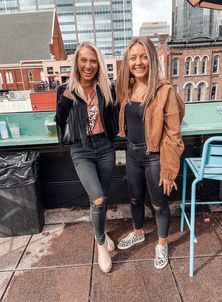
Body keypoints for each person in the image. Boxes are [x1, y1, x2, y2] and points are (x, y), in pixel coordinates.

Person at [116, 37, 185, 269]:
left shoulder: (164, 91)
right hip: (132, 153)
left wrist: (169, 170)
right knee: (135, 198)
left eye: (144, 56)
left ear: (152, 59)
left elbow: (174, 135)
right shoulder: (126, 87)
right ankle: (138, 232)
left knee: (158, 203)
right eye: (133, 57)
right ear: (128, 61)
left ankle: (162, 242)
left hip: (154, 156)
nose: (138, 62)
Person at [55, 42, 118, 273]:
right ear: (77, 63)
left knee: (102, 196)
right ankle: (101, 243)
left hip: (104, 147)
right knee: (98, 198)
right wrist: (67, 100)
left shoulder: (105, 88)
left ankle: (100, 231)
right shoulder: (66, 89)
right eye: (84, 60)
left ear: (98, 63)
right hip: (81, 149)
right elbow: (59, 122)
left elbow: (114, 116)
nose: (88, 65)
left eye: (93, 61)